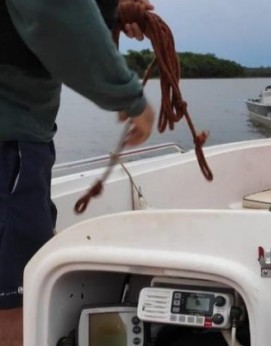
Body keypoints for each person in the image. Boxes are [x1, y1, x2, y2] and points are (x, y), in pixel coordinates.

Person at [0, 0, 156, 344]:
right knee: (13, 298)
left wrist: (110, 12)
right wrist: (130, 98)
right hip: (11, 142)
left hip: (19, 138)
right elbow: (53, 11)